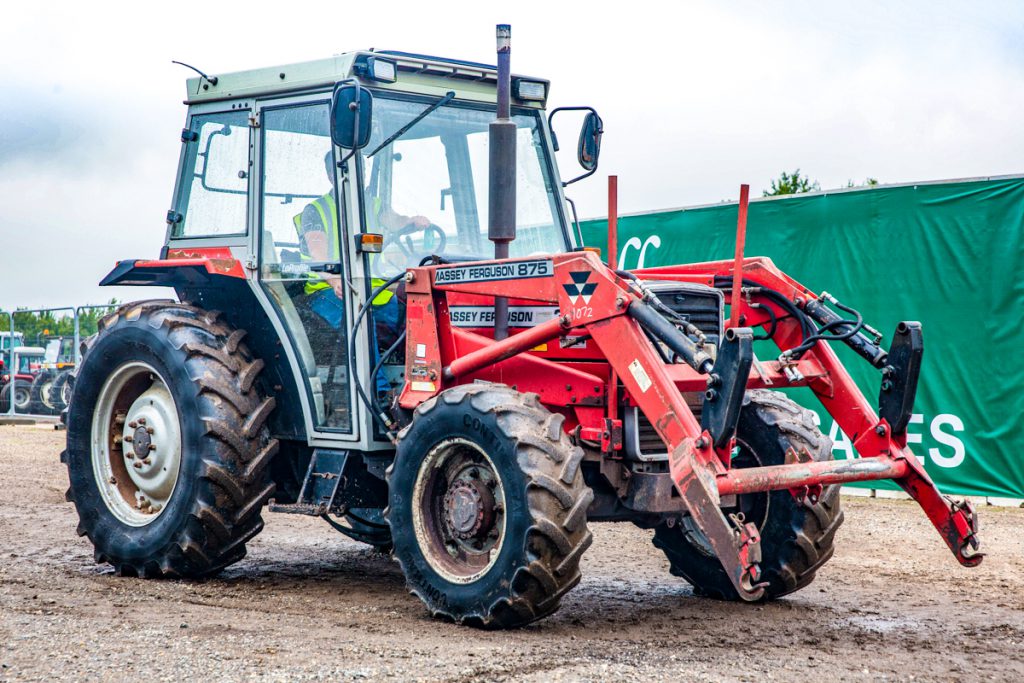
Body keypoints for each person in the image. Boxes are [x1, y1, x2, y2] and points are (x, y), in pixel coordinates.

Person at [294, 151, 431, 392]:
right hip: (326, 290)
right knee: (360, 320)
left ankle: (420, 384)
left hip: (371, 289)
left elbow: (395, 221)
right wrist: (336, 279)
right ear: (331, 175)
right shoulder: (315, 211)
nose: (359, 176)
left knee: (416, 315)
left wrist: (412, 221)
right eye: (349, 170)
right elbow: (319, 256)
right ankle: (380, 395)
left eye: (362, 171)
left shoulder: (373, 204)